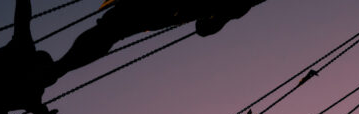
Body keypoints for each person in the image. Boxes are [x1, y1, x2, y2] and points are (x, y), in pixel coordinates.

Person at [53, 0, 266, 77]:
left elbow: (206, 27)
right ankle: (59, 69)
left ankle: (58, 69)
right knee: (113, 30)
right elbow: (206, 28)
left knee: (112, 29)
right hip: (172, 12)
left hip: (170, 12)